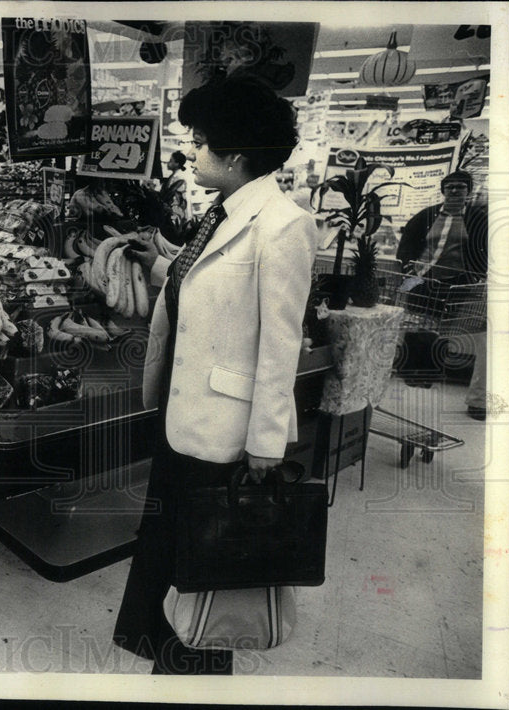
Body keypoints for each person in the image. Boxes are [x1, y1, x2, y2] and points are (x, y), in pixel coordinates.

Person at [114, 76, 319, 674]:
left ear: (235, 155)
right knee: (173, 552)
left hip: (225, 434)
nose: (192, 153)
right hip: (182, 420)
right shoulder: (223, 215)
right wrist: (154, 263)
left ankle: (195, 673)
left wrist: (265, 444)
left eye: (201, 143)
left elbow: (281, 346)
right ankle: (168, 663)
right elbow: (200, 287)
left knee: (208, 563)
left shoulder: (282, 225)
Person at [394, 170, 488, 418]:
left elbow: (486, 250)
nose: (455, 191)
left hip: (457, 283)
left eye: (461, 187)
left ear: (468, 191)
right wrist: (407, 267)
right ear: (443, 190)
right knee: (419, 327)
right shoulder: (427, 215)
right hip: (422, 279)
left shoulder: (479, 219)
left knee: (442, 331)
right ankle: (413, 375)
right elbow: (408, 242)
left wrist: (476, 275)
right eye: (451, 187)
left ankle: (430, 376)